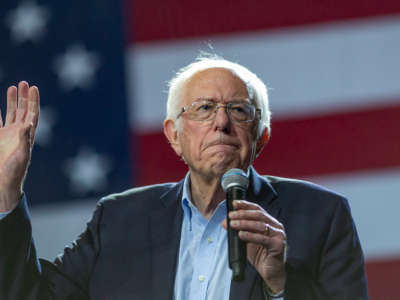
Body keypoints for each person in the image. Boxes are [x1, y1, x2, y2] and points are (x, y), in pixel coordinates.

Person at [0, 56, 368, 300]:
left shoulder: (322, 215)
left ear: (262, 136)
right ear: (174, 135)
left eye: (238, 110)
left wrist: (281, 286)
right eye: (204, 108)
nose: (221, 122)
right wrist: (6, 191)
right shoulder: (117, 219)